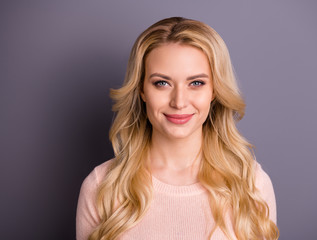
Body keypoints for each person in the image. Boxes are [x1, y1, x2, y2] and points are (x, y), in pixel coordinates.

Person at [76, 17, 279, 240]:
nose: (179, 102)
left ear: (214, 90)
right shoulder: (101, 187)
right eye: (162, 83)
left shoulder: (252, 185)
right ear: (142, 89)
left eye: (196, 83)